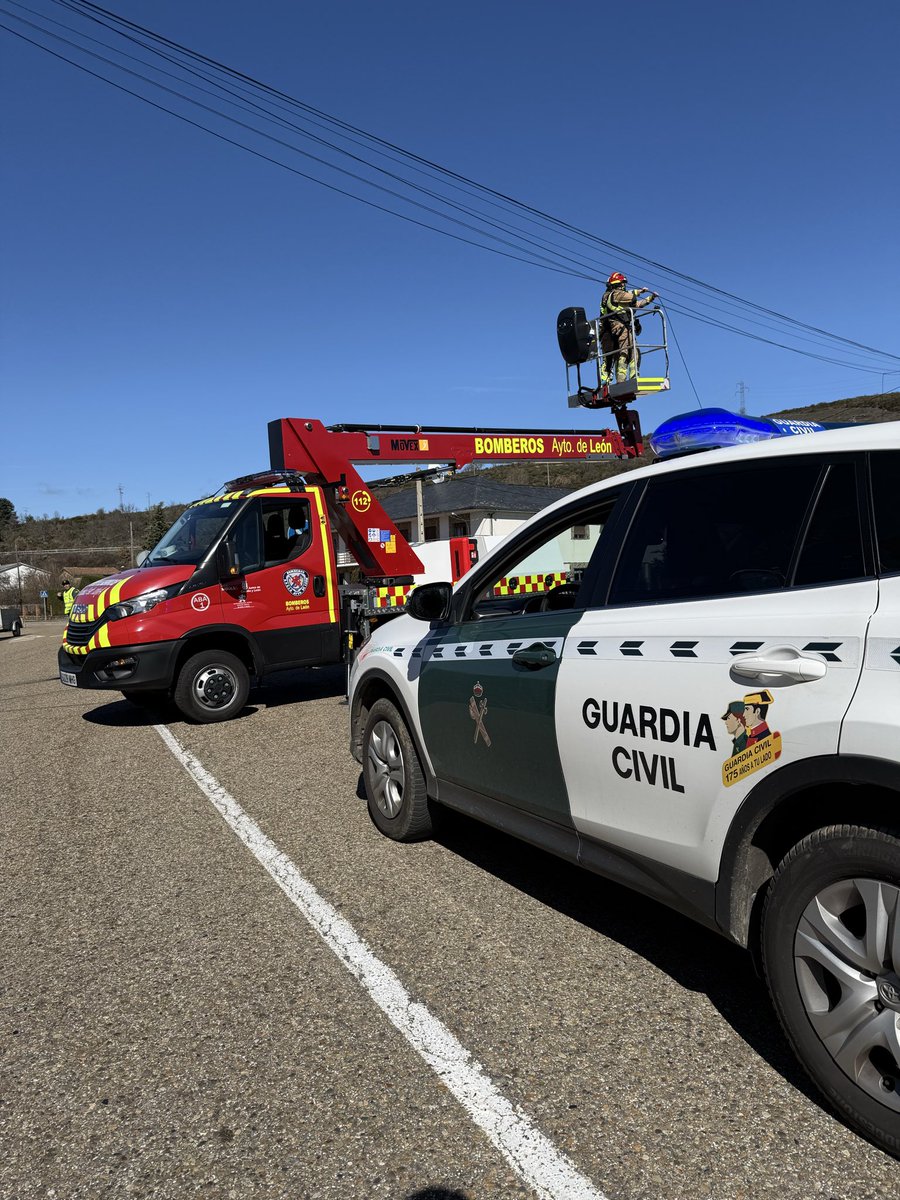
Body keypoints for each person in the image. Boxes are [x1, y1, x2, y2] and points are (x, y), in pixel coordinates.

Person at [599, 272, 659, 385]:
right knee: (624, 352)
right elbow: (630, 296)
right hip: (618, 327)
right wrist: (641, 291)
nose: (624, 286)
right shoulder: (615, 294)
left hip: (625, 327)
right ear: (619, 284)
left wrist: (651, 298)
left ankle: (634, 375)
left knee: (635, 351)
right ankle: (621, 381)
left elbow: (637, 304)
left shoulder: (621, 298)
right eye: (623, 283)